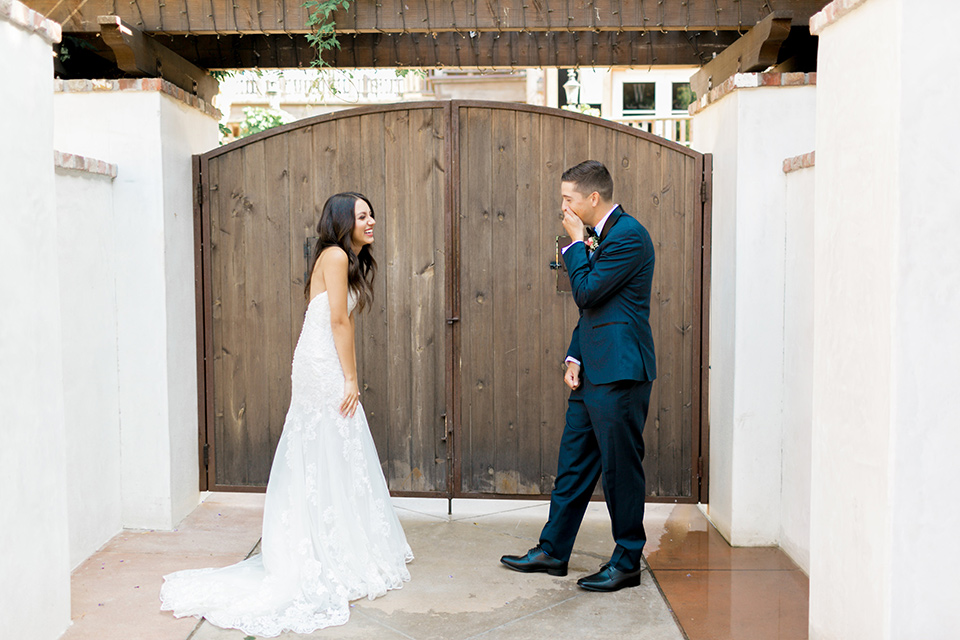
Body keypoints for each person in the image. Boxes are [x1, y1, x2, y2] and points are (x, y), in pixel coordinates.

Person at [160, 192, 413, 636]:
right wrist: (351, 379)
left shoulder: (344, 257)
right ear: (342, 222)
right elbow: (338, 321)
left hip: (324, 360)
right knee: (330, 439)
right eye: (362, 215)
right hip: (321, 364)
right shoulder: (335, 255)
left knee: (338, 445)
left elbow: (341, 320)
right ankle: (319, 546)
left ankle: (336, 541)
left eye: (372, 214)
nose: (371, 221)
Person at [500, 161, 656, 592]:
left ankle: (627, 561)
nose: (562, 205)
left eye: (568, 198)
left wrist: (574, 245)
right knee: (572, 465)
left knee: (620, 470)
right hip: (593, 372)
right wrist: (575, 356)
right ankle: (553, 551)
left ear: (593, 198)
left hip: (622, 373)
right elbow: (595, 309)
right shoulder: (600, 237)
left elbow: (585, 291)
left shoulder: (628, 236)